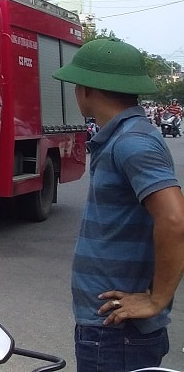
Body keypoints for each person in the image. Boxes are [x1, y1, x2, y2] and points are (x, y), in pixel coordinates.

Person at [52, 38, 184, 371]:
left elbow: (174, 219)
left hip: (116, 336)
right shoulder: (126, 136)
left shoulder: (132, 142)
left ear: (87, 89)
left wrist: (156, 300)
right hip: (110, 331)